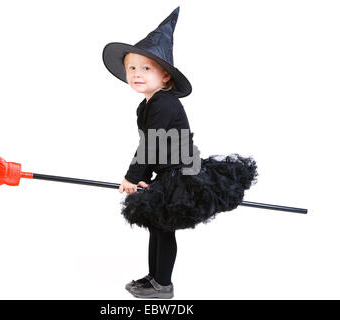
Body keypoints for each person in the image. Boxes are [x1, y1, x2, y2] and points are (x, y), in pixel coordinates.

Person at [102, 7, 258, 299]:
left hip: (181, 173)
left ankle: (163, 285)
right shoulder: (147, 105)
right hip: (166, 172)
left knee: (162, 226)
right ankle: (154, 278)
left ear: (165, 78)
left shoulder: (164, 103)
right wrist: (145, 178)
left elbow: (150, 143)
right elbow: (154, 146)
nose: (137, 73)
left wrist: (131, 177)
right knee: (156, 225)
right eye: (132, 67)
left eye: (146, 68)